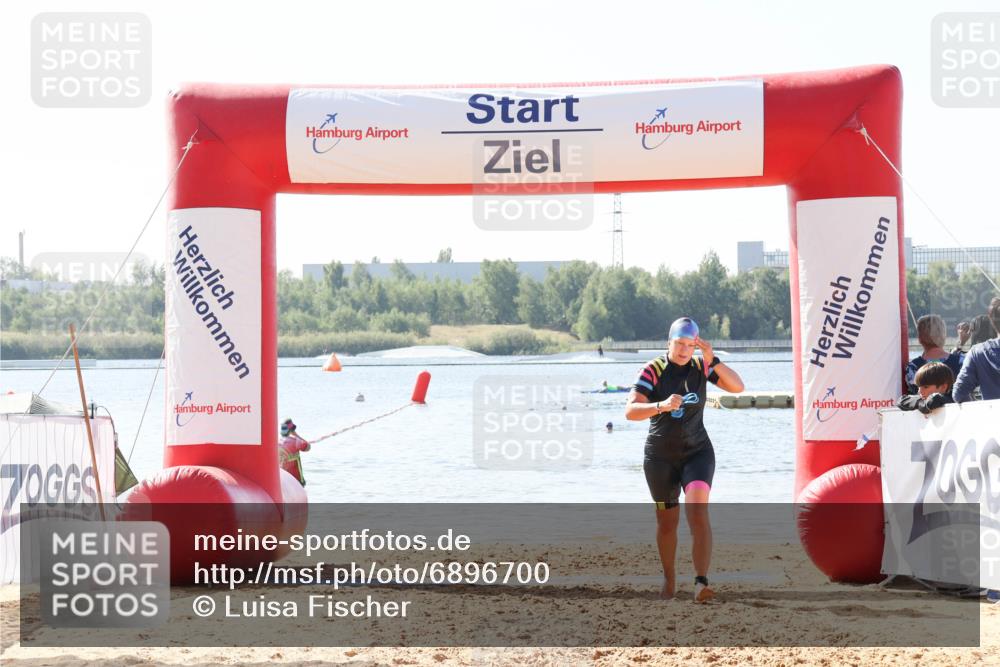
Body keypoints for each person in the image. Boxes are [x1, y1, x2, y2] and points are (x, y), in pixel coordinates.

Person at [625, 317, 744, 603]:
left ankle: (701, 582)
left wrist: (713, 360)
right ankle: (669, 578)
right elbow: (630, 411)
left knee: (698, 511)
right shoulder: (653, 369)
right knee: (667, 523)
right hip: (660, 458)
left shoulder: (701, 366)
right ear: (669, 342)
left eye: (690, 345)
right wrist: (661, 405)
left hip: (697, 452)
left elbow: (738, 387)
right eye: (679, 344)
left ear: (696, 346)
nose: (683, 350)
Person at [954, 297, 1000, 403]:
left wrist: (977, 406)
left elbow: (959, 394)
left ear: (992, 320)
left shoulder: (976, 353)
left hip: (991, 412)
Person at [905, 314, 963, 395]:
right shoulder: (961, 361)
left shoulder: (913, 367)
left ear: (920, 339)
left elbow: (917, 395)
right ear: (943, 335)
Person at [279, 418, 311, 486]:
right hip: (295, 480)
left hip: (281, 479)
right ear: (291, 430)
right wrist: (296, 434)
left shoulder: (276, 442)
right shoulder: (296, 441)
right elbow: (308, 447)